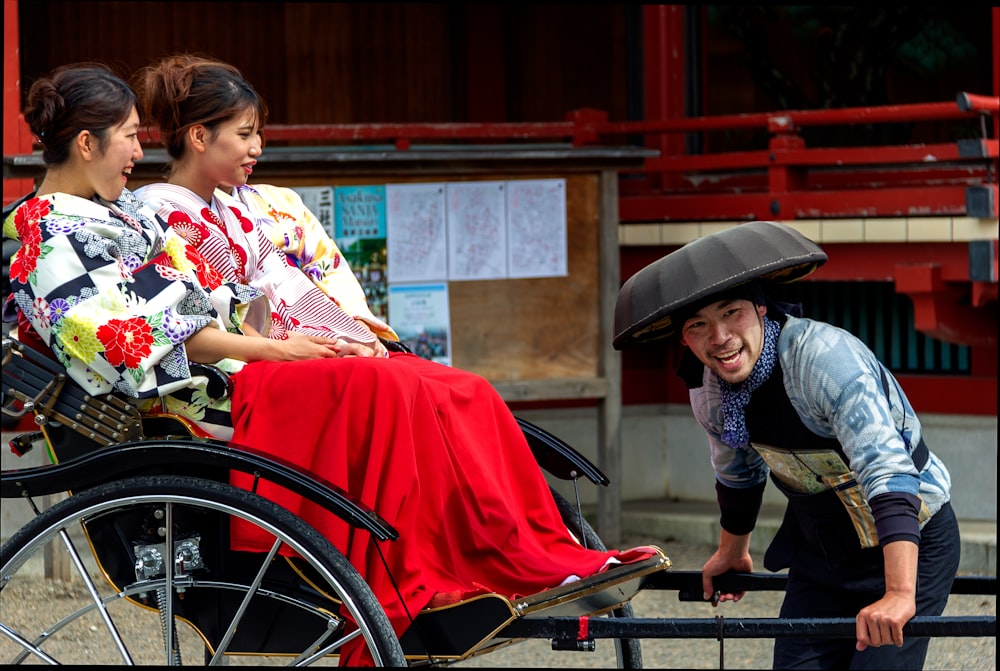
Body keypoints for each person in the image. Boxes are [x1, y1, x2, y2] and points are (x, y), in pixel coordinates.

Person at [8, 63, 653, 665]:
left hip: (237, 365)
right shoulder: (45, 234)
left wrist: (303, 336)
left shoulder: (113, 218)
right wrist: (276, 347)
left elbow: (206, 307)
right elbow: (138, 342)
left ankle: (527, 557)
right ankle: (411, 583)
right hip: (182, 397)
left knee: (450, 387)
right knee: (378, 390)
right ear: (87, 145)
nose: (137, 152)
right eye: (126, 137)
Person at [614, 221, 960, 670]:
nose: (719, 338)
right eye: (699, 325)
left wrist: (897, 594)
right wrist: (733, 550)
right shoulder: (707, 389)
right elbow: (737, 472)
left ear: (761, 309)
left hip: (912, 540)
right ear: (685, 338)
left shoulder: (823, 358)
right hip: (823, 552)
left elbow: (886, 469)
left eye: (731, 313)